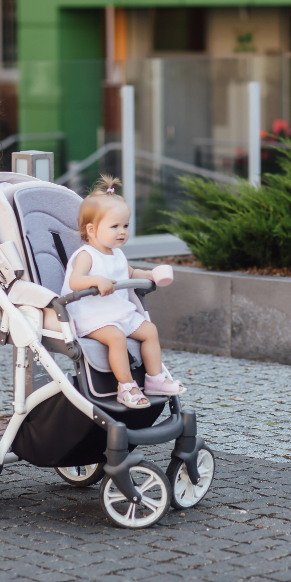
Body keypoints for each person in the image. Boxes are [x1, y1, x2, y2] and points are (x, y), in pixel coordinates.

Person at [61, 175, 185, 409]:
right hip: (93, 316)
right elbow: (76, 281)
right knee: (116, 338)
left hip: (118, 312)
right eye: (115, 226)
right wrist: (97, 280)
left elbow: (129, 272)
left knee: (149, 330)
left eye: (125, 226)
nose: (122, 232)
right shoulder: (86, 255)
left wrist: (148, 274)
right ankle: (126, 386)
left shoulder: (116, 253)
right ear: (92, 229)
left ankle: (155, 379)